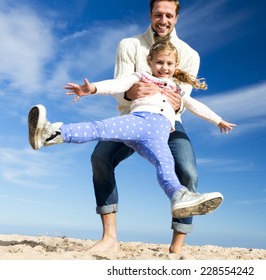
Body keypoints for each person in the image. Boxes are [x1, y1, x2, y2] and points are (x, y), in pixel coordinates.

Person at [28, 38, 235, 226]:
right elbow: (117, 85)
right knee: (100, 129)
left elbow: (195, 106)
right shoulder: (141, 77)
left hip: (158, 136)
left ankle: (179, 195)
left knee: (165, 165)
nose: (164, 67)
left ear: (175, 66)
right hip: (137, 122)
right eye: (160, 62)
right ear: (150, 62)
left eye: (169, 64)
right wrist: (92, 89)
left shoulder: (176, 89)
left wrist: (218, 120)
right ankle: (51, 133)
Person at [90, 0, 207, 254]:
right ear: (150, 14)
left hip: (168, 123)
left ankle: (177, 246)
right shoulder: (128, 45)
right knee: (100, 157)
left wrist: (176, 104)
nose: (163, 20)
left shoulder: (190, 55)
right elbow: (119, 91)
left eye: (168, 15)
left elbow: (183, 101)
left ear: (177, 18)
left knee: (187, 171)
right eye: (158, 14)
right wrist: (131, 93)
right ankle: (109, 237)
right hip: (132, 116)